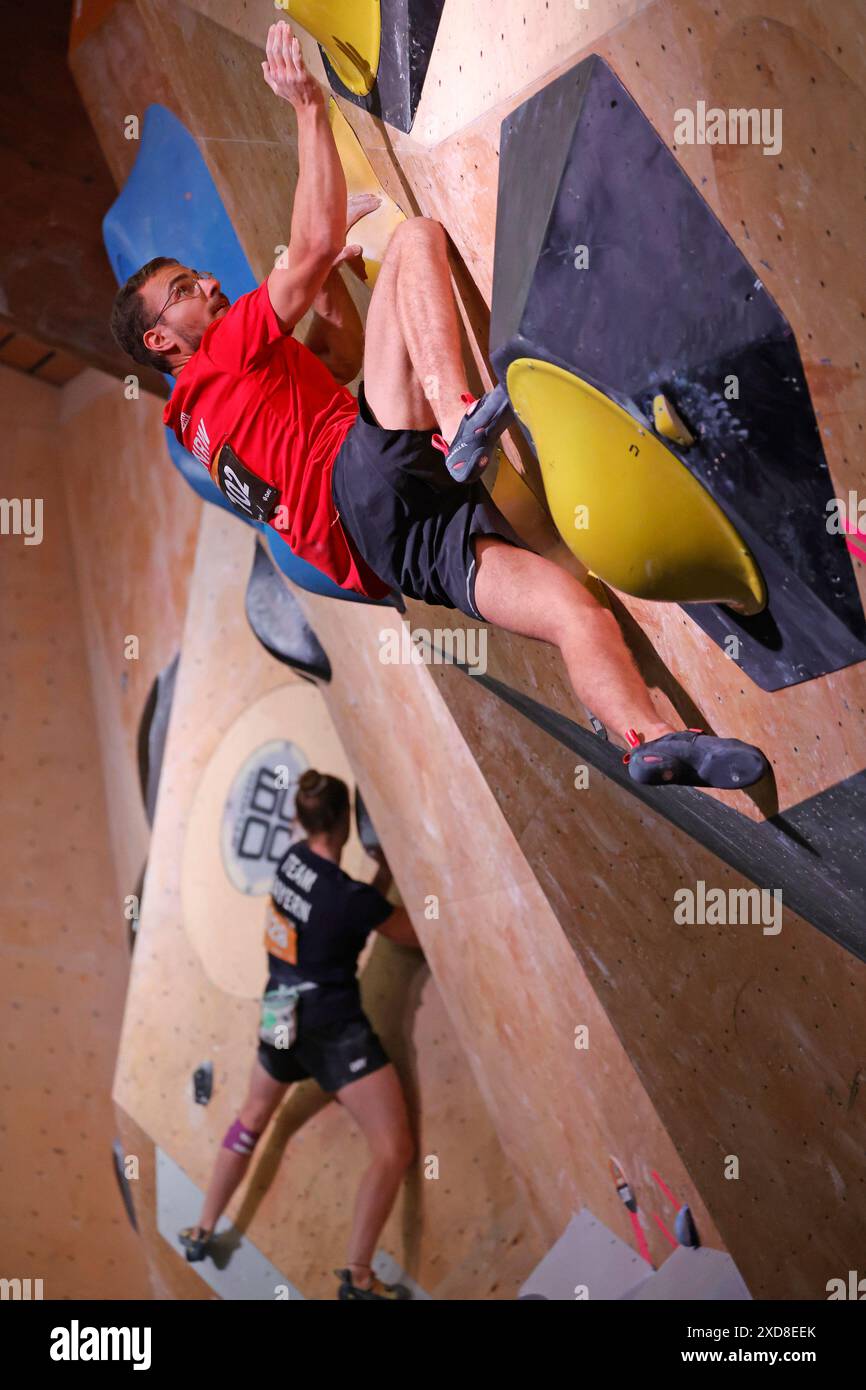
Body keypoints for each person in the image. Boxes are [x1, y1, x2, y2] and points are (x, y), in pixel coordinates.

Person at [109, 19, 769, 794]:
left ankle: (649, 738)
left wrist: (327, 295)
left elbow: (343, 364)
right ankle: (458, 420)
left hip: (390, 549)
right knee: (419, 240)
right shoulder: (218, 358)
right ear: (161, 340)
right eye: (187, 291)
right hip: (364, 483)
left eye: (198, 276)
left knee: (572, 613)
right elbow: (314, 240)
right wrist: (306, 109)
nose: (210, 286)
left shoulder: (200, 426)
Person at [179, 770, 419, 1300]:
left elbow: (342, 914)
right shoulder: (352, 898)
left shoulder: (290, 862)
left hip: (279, 1011)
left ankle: (202, 1227)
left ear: (300, 819)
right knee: (393, 1147)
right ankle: (357, 1276)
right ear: (343, 825)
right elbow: (409, 934)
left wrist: (376, 883)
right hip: (332, 1029)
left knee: (253, 1116)